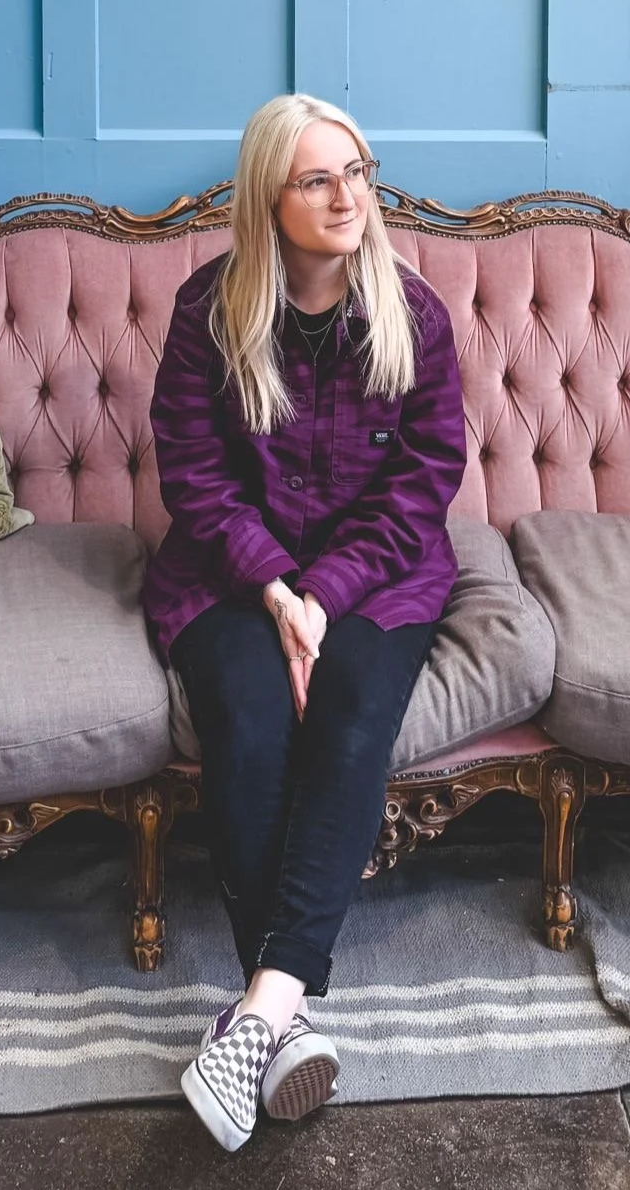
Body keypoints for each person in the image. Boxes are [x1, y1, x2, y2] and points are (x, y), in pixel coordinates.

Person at [142, 93, 468, 1151]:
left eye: (358, 172)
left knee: (352, 712)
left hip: (379, 576)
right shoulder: (207, 311)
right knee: (246, 716)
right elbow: (194, 477)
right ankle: (276, 1024)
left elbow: (424, 482)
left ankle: (263, 1005)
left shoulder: (413, 314)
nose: (347, 196)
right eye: (318, 178)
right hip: (231, 577)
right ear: (267, 196)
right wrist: (279, 589)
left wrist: (325, 592)